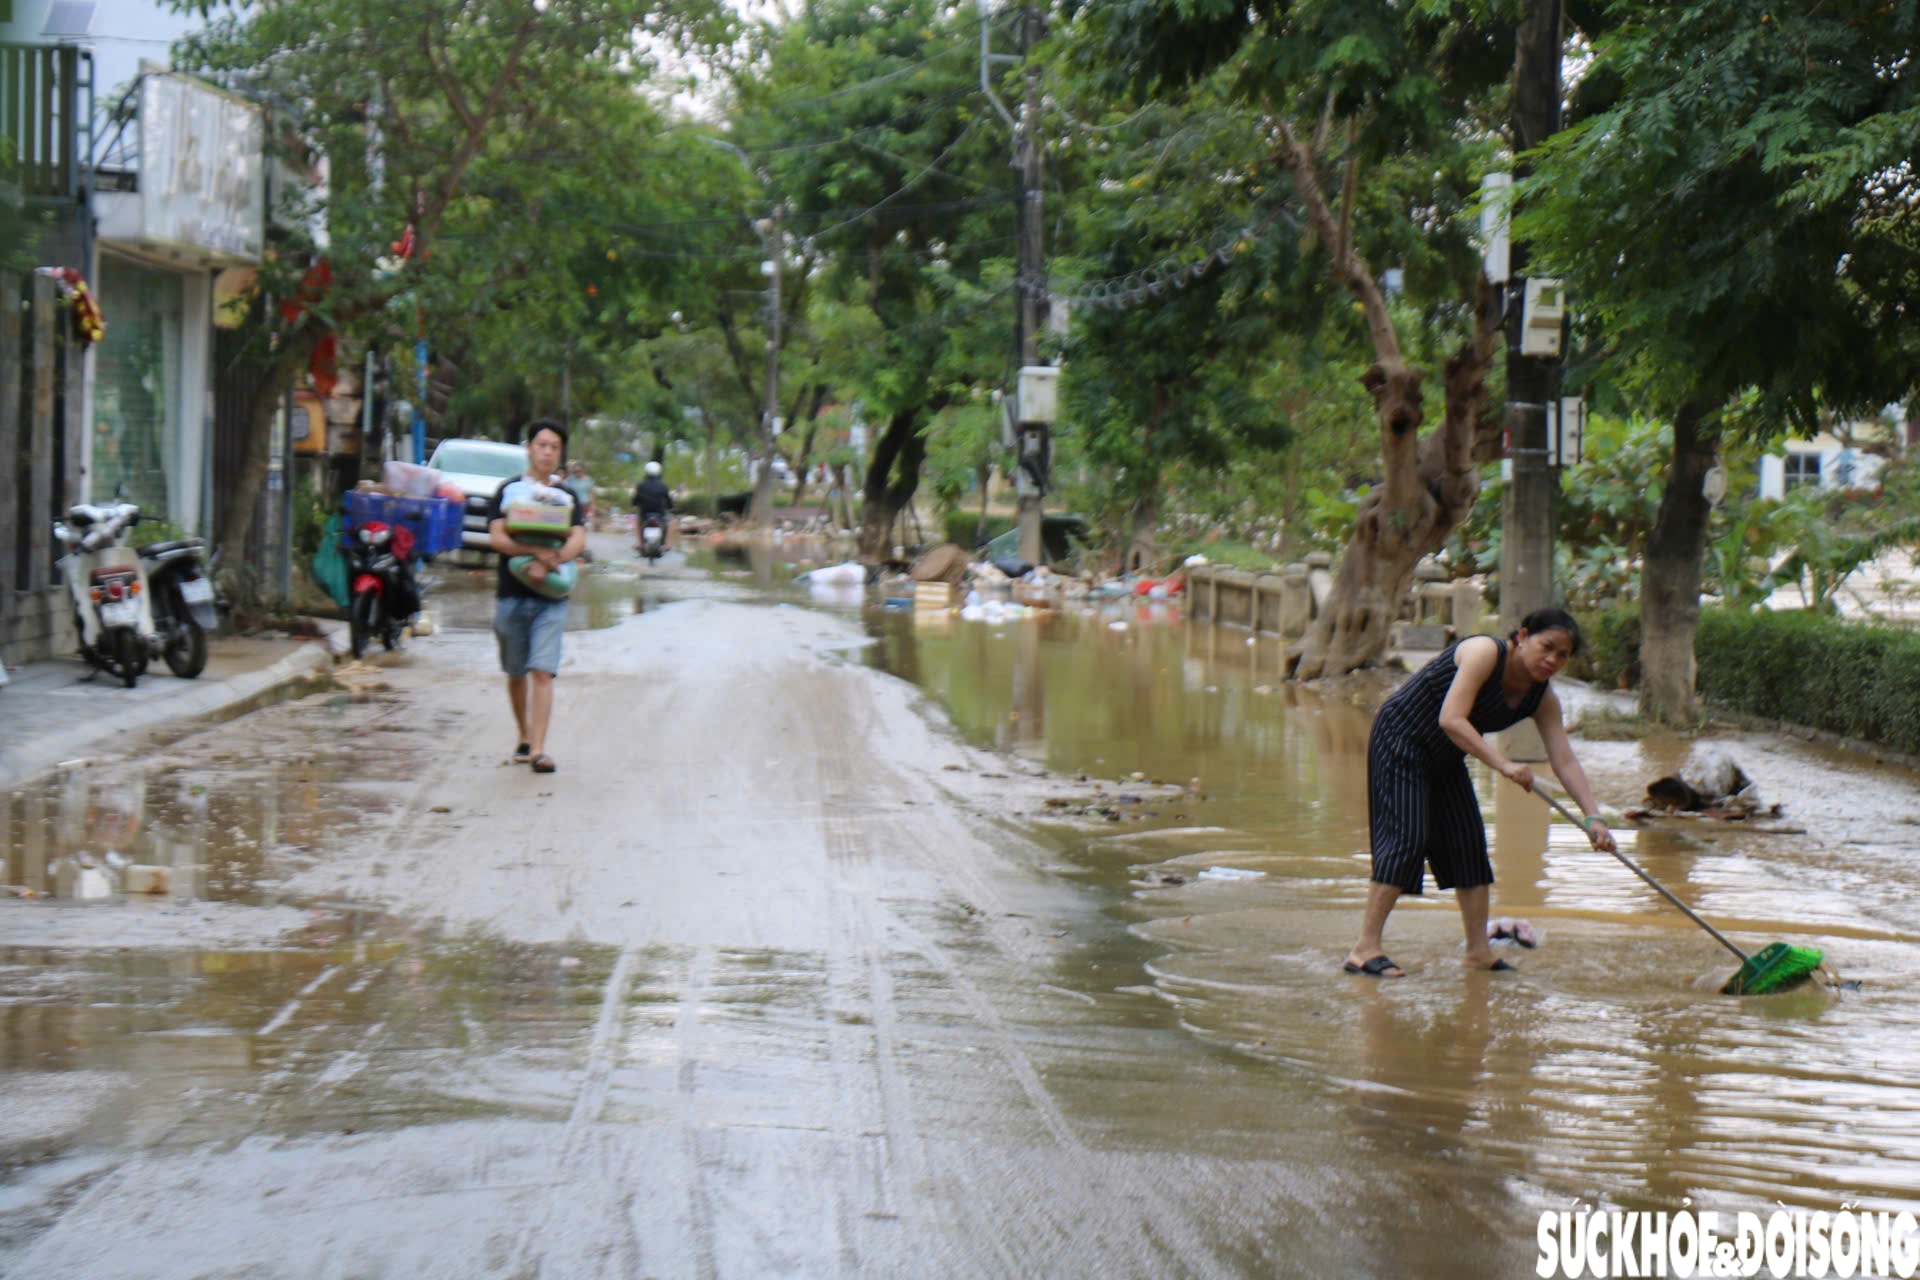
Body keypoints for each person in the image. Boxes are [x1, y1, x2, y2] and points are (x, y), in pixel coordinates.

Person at [1343, 608, 1617, 978]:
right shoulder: (1484, 653)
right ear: (1522, 637)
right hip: (1401, 739)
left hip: (1447, 753)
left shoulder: (1543, 698)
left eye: (1563, 655)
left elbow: (1564, 760)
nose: (1553, 660)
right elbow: (1450, 719)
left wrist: (1593, 818)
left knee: (1468, 845)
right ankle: (1364, 949)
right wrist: (1502, 765)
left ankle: (1478, 952)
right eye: (1547, 647)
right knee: (1407, 838)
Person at [488, 420, 587, 774]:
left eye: (554, 447)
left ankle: (539, 750)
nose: (547, 452)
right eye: (541, 445)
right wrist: (534, 553)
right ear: (529, 448)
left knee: (543, 671)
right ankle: (524, 737)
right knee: (516, 672)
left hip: (551, 597)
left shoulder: (567, 498)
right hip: (511, 594)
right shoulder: (509, 491)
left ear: (560, 454)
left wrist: (554, 560)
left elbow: (577, 538)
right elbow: (498, 538)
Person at [632, 459, 674, 551]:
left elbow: (635, 501)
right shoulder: (663, 486)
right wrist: (671, 507)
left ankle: (639, 543)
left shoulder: (641, 485)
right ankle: (667, 543)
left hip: (645, 513)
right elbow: (669, 502)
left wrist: (636, 504)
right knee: (671, 521)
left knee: (637, 521)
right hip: (660, 513)